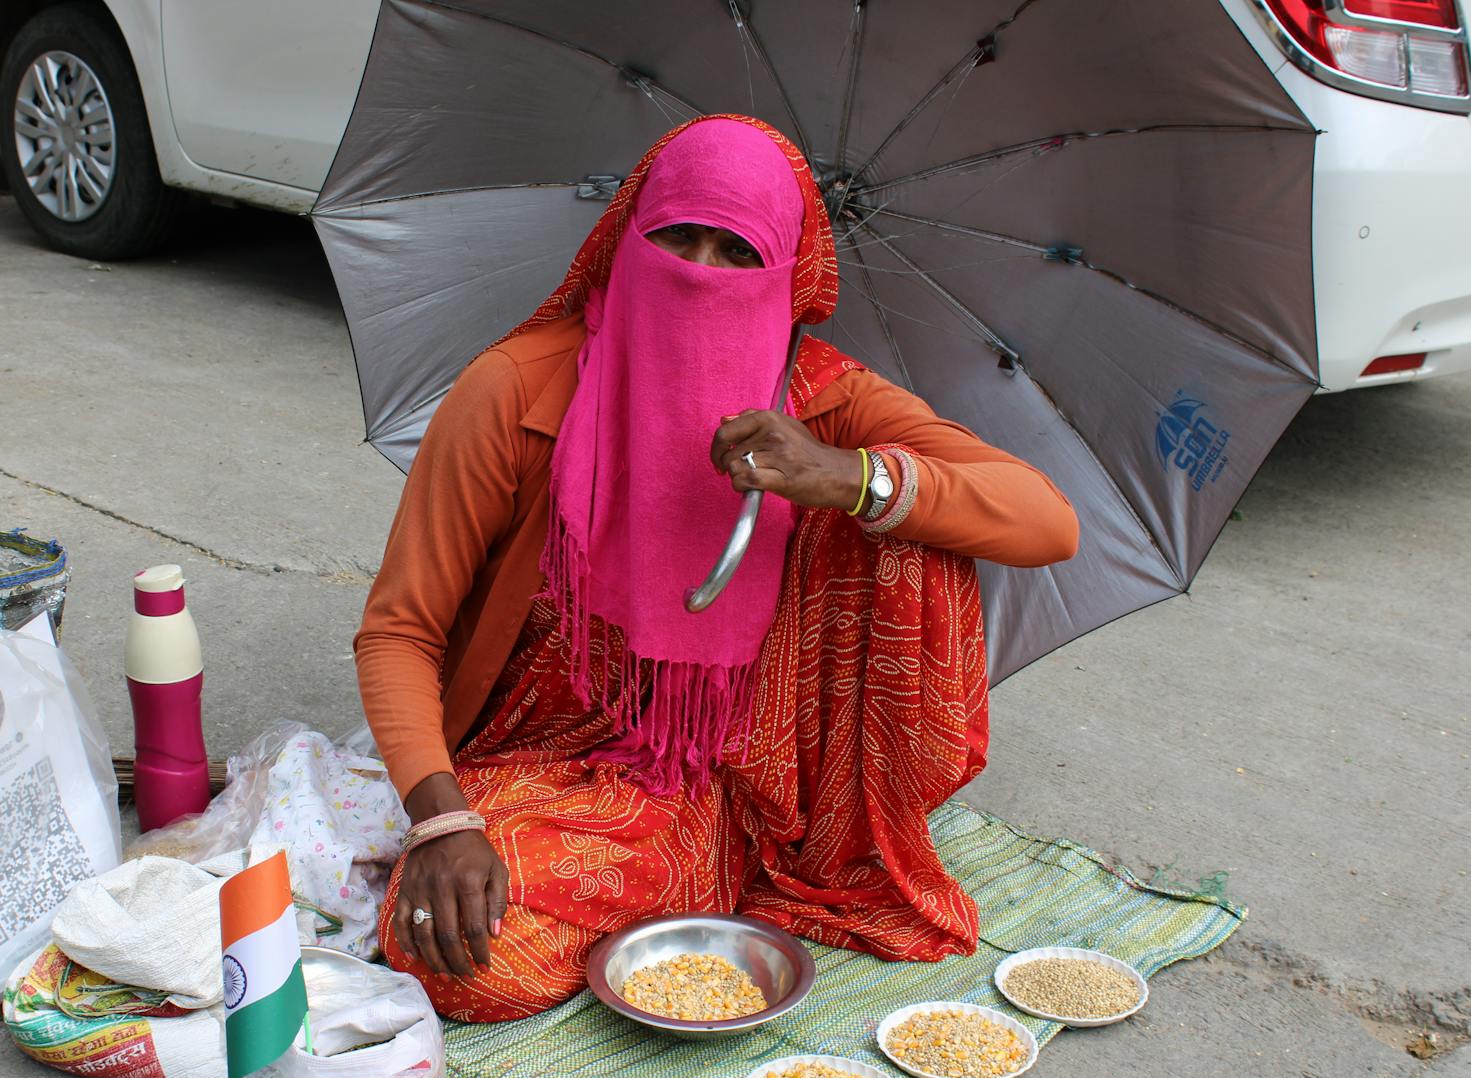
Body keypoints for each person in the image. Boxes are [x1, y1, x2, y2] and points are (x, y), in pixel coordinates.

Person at [355, 115, 1078, 1022]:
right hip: (539, 762)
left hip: (747, 775)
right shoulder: (516, 391)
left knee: (906, 515)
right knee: (461, 958)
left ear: (786, 274)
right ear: (626, 239)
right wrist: (443, 818)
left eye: (737, 249)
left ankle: (804, 847)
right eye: (675, 237)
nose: (699, 270)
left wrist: (842, 475)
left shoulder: (821, 395)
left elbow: (1047, 521)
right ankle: (681, 879)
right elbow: (399, 631)